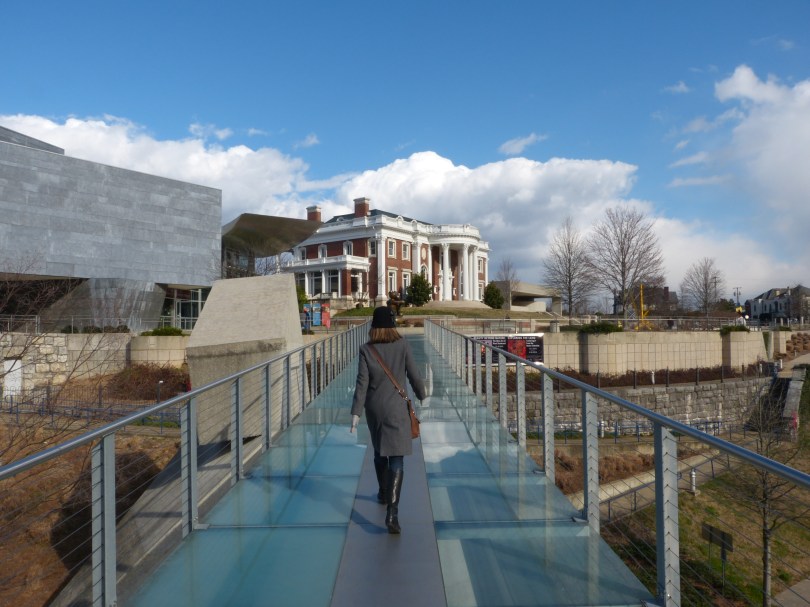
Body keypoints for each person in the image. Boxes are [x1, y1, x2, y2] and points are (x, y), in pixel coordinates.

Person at [350, 306, 426, 534]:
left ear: (373, 326)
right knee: (397, 459)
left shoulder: (366, 349)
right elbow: (414, 374)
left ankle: (383, 492)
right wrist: (422, 394)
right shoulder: (402, 345)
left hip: (375, 409)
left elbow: (362, 383)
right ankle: (392, 513)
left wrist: (356, 413)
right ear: (392, 324)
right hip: (397, 408)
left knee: (379, 451)